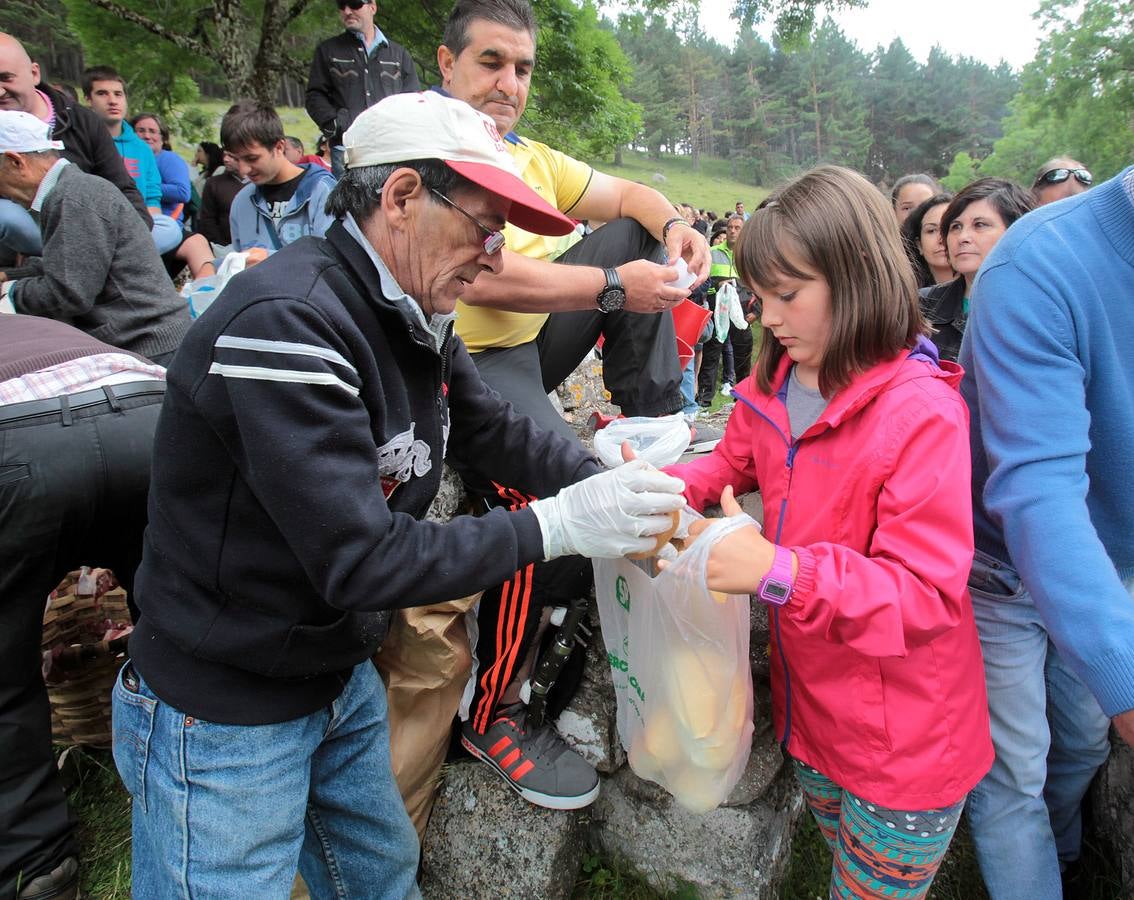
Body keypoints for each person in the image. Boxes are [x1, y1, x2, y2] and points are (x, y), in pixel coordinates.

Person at [111, 90, 686, 898]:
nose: (493, 257)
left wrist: (598, 481)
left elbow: (489, 428)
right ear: (402, 196)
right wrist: (559, 526)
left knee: (378, 875)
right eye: (483, 229)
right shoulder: (290, 323)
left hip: (331, 672)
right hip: (228, 706)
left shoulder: (411, 305)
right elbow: (362, 557)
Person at [662, 166, 992, 900]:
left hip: (904, 745)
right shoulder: (781, 381)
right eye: (759, 295)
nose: (768, 315)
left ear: (857, 275)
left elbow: (924, 596)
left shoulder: (921, 416)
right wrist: (652, 489)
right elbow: (730, 461)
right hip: (815, 717)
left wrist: (778, 570)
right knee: (839, 854)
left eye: (789, 293)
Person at [430, 0, 709, 810]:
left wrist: (675, 228)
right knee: (560, 496)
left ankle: (647, 421)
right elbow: (478, 273)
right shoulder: (430, 150)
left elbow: (627, 190)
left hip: (524, 345)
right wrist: (616, 287)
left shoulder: (526, 154)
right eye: (490, 63)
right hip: (460, 359)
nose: (508, 84)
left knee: (632, 231)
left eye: (521, 69)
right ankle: (494, 709)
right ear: (446, 64)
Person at [960, 166, 1134, 899]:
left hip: (1112, 567)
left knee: (1082, 740)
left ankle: (1062, 855)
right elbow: (1037, 489)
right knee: (1012, 769)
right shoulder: (1039, 264)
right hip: (1000, 567)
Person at [0, 315, 166, 900]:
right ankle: (196, 789)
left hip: (14, 442)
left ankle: (36, 864)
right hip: (145, 410)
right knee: (176, 619)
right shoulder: (30, 321)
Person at [0, 110, 189, 364]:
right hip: (144, 342)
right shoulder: (71, 190)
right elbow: (72, 264)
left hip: (148, 345)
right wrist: (11, 276)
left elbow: (69, 293)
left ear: (16, 162)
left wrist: (7, 292)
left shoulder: (73, 197)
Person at [0, 34, 149, 262]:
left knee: (166, 227)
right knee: (5, 216)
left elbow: (124, 190)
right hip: (23, 241)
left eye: (6, 78)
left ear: (34, 73)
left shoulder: (83, 121)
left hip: (94, 234)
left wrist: (131, 237)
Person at [918, 178, 1033, 362]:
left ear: (1016, 231)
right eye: (955, 227)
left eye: (979, 225)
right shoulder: (921, 305)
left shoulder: (1042, 305)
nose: (963, 237)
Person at [305, 0, 420, 178]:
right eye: (342, 5)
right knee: (348, 205)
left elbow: (412, 99)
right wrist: (335, 125)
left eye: (355, 4)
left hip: (391, 149)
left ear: (372, 7)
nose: (347, 11)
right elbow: (314, 95)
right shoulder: (328, 50)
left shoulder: (399, 54)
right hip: (348, 150)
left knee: (392, 202)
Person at [81, 67, 182, 256]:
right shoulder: (82, 142)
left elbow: (152, 197)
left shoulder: (142, 149)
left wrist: (147, 225)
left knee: (170, 228)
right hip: (94, 227)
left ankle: (113, 259)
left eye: (118, 94)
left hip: (137, 226)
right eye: (102, 93)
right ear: (88, 99)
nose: (112, 101)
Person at [221, 100, 337, 254]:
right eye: (236, 159)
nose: (243, 170)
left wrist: (268, 260)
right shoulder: (242, 201)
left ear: (279, 147)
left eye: (252, 158)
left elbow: (334, 264)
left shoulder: (322, 192)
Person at [131, 111, 215, 279]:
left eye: (152, 131)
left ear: (163, 138)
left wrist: (143, 187)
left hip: (166, 226)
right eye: (141, 130)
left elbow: (182, 192)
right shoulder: (125, 157)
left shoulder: (168, 159)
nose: (147, 135)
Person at [697, 213, 754, 405]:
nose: (732, 231)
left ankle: (743, 401)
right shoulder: (712, 252)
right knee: (711, 357)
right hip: (717, 312)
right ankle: (704, 401)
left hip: (742, 316)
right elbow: (704, 284)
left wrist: (756, 312)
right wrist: (718, 286)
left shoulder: (749, 255)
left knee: (742, 358)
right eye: (730, 227)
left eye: (737, 228)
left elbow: (758, 286)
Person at [900, 192, 953, 288]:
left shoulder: (982, 291)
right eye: (931, 231)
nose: (941, 239)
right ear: (919, 245)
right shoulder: (905, 295)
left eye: (949, 228)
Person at [193, 150, 243, 251]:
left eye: (231, 155)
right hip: (222, 249)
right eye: (225, 155)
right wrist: (221, 247)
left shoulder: (259, 184)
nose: (226, 159)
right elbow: (207, 219)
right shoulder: (213, 183)